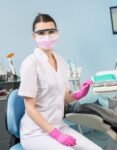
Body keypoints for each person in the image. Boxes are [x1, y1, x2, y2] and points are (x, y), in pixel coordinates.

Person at [18, 13, 102, 150]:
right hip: (35, 133)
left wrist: (78, 95)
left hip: (59, 126)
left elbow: (65, 98)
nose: (47, 36)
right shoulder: (30, 64)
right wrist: (55, 134)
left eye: (51, 31)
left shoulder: (61, 61)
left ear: (57, 33)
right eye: (41, 32)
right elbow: (30, 108)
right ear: (34, 36)